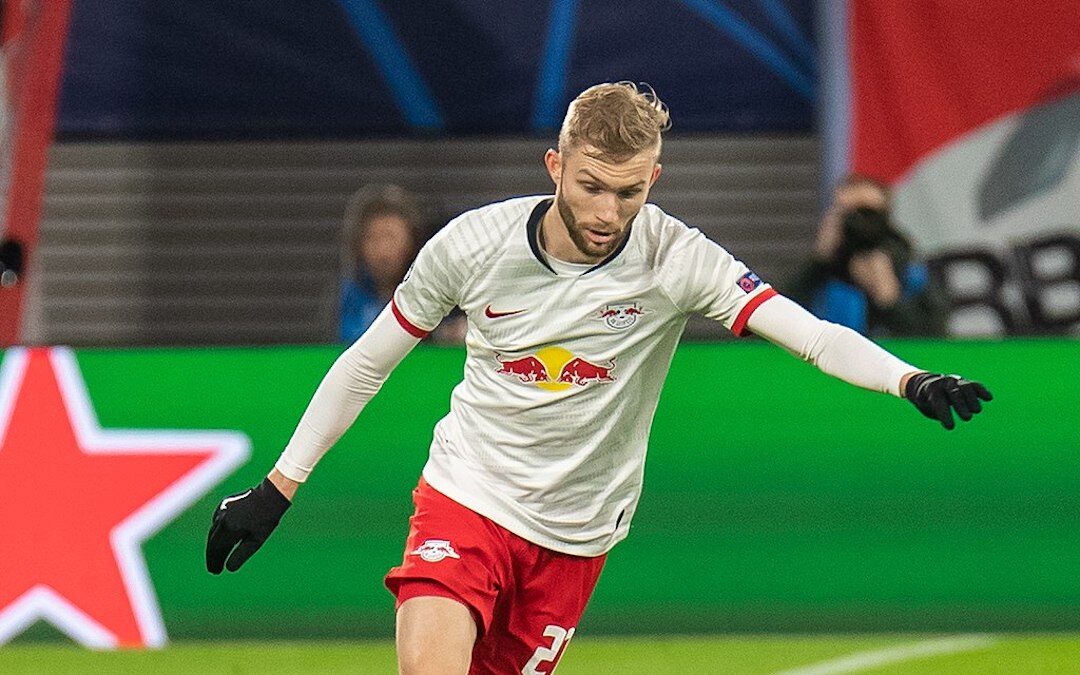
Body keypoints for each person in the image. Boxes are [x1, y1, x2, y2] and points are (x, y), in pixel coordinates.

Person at [206, 83, 992, 674]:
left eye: (630, 190)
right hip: (468, 494)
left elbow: (811, 335)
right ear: (555, 165)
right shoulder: (470, 246)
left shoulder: (677, 258)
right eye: (590, 185)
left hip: (575, 534)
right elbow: (366, 361)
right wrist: (278, 487)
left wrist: (909, 379)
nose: (609, 212)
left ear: (655, 177)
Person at [791, 175, 947, 336]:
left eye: (868, 213)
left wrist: (890, 300)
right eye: (849, 213)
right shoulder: (822, 269)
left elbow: (937, 336)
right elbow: (781, 318)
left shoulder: (909, 267)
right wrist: (819, 260)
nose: (859, 222)